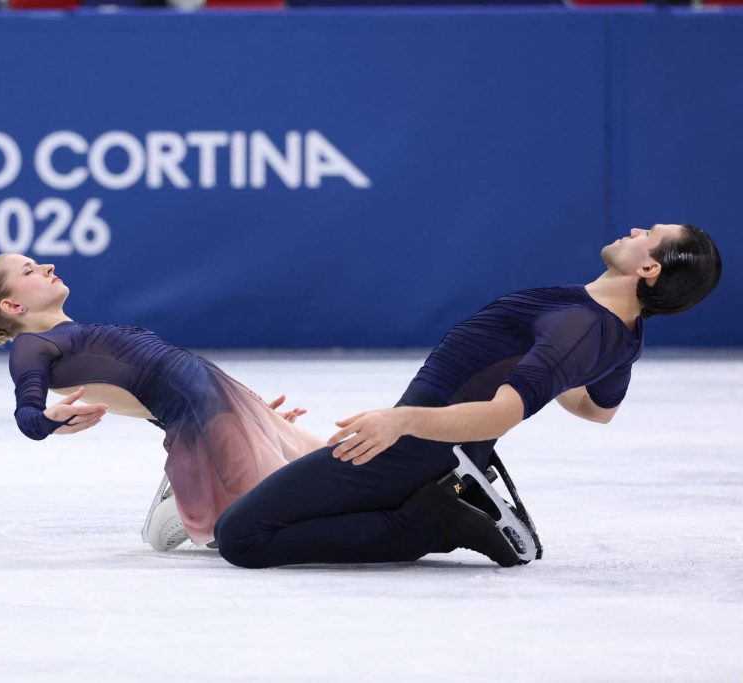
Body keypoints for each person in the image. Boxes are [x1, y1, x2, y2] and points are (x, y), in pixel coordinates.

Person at [214, 223, 722, 568]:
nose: (636, 231)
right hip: (445, 448)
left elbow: (504, 412)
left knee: (242, 537)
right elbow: (599, 409)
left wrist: (402, 422)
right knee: (284, 505)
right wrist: (552, 375)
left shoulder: (580, 326)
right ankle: (441, 501)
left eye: (649, 236)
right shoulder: (620, 331)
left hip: (417, 449)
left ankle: (428, 523)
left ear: (649, 269)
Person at [0, 253, 324, 550]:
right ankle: (186, 505)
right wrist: (51, 420)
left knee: (339, 459)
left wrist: (252, 411)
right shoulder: (32, 344)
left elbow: (168, 382)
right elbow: (27, 416)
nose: (47, 267)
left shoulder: (85, 335)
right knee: (287, 515)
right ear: (13, 305)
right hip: (211, 420)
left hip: (226, 409)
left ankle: (202, 487)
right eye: (29, 270)